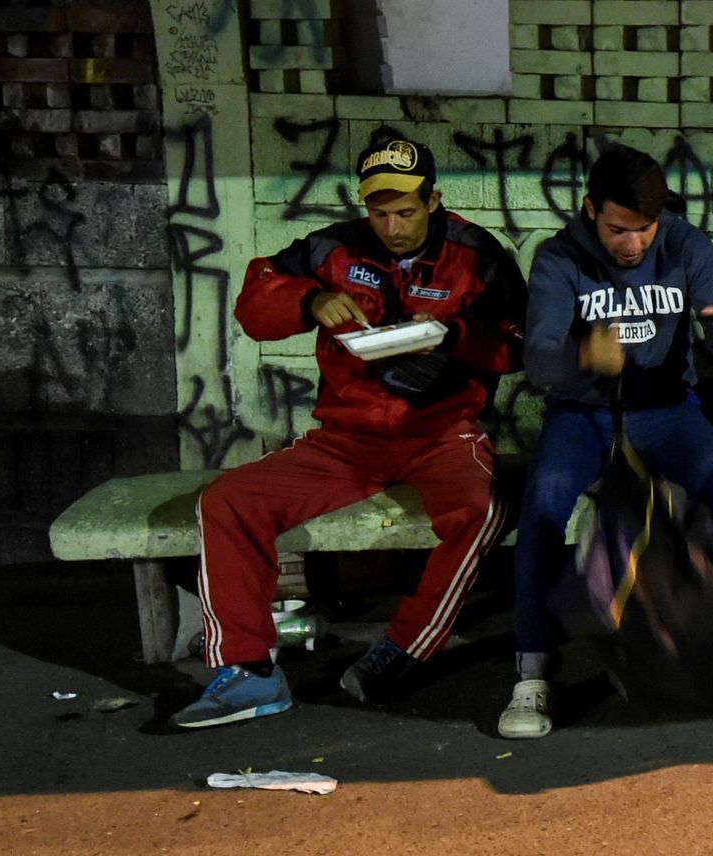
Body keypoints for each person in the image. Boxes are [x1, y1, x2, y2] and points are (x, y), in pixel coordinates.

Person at [173, 137, 527, 728]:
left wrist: (454, 337)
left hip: (442, 432)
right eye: (380, 211)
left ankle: (402, 648)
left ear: (433, 200)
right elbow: (253, 307)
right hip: (346, 439)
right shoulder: (333, 247)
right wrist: (311, 301)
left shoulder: (476, 253)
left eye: (407, 211)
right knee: (228, 502)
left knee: (481, 510)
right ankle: (251, 673)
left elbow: (519, 344)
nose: (392, 226)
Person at [499, 145, 713, 739]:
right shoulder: (559, 258)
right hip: (582, 414)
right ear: (591, 209)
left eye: (645, 229)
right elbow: (538, 359)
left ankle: (677, 636)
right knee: (541, 506)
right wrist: (582, 355)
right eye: (619, 230)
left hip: (666, 410)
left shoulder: (684, 244)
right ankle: (533, 673)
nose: (634, 245)